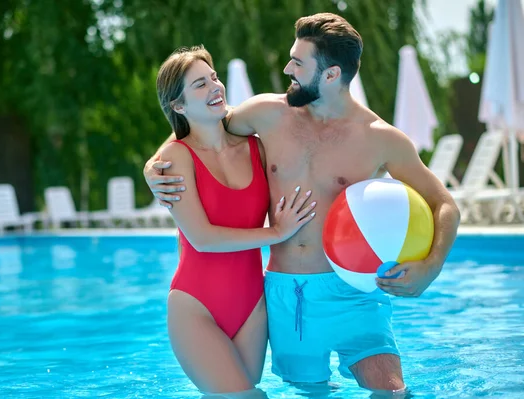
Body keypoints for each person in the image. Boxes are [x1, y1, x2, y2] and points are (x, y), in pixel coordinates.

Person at [145, 14, 461, 393]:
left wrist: (431, 266)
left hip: (352, 293)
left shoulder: (381, 139)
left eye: (298, 63)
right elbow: (197, 121)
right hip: (286, 294)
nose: (287, 68)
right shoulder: (266, 114)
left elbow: (444, 204)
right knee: (308, 391)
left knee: (391, 390)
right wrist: (156, 164)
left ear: (330, 75)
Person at [153, 45, 317, 396]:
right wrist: (276, 233)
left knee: (243, 390)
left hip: (252, 304)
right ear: (179, 106)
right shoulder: (174, 157)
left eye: (213, 77)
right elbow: (202, 239)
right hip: (195, 306)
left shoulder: (257, 148)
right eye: (200, 84)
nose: (215, 87)